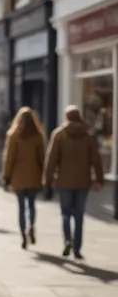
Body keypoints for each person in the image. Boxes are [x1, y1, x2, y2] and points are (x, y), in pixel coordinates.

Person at [44, 105, 103, 259]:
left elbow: (51, 160)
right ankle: (77, 248)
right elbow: (96, 159)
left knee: (65, 213)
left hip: (64, 181)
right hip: (83, 181)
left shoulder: (59, 135)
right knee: (79, 215)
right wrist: (99, 179)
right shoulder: (88, 135)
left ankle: (67, 241)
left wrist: (47, 180)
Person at [1, 107, 45, 249]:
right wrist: (43, 176)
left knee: (21, 207)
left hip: (18, 177)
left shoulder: (14, 135)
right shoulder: (38, 136)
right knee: (31, 204)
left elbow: (9, 158)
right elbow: (42, 159)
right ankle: (31, 225)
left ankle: (23, 235)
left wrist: (6, 177)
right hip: (33, 176)